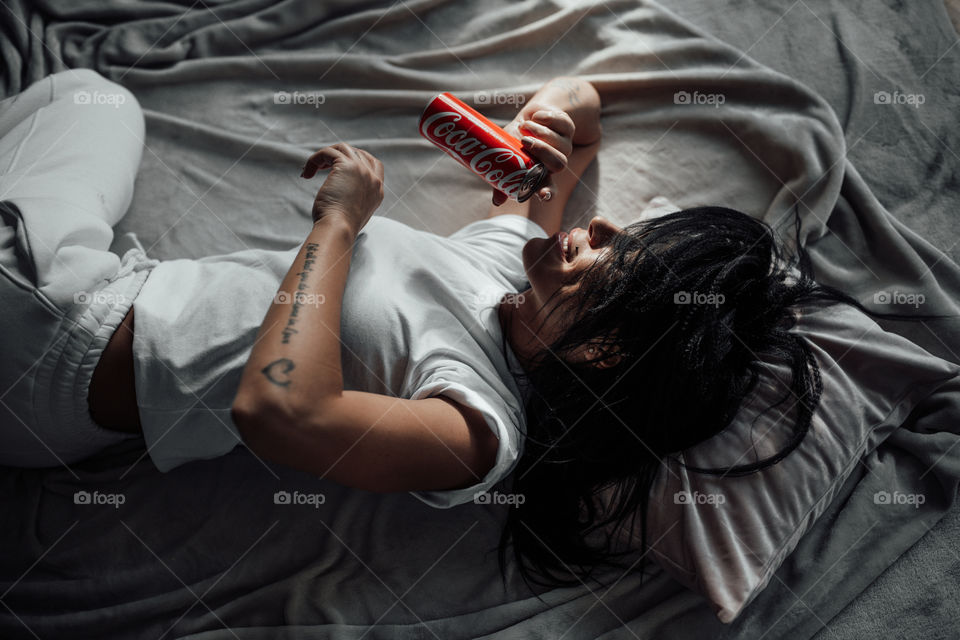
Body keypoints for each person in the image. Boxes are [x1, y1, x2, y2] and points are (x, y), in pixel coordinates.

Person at [0, 69, 930, 593]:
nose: (602, 225)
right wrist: (554, 119)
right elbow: (579, 123)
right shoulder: (506, 266)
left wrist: (340, 221)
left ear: (603, 349)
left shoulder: (479, 424)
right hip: (98, 293)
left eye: (619, 253)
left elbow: (279, 412)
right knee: (88, 95)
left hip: (50, 339)